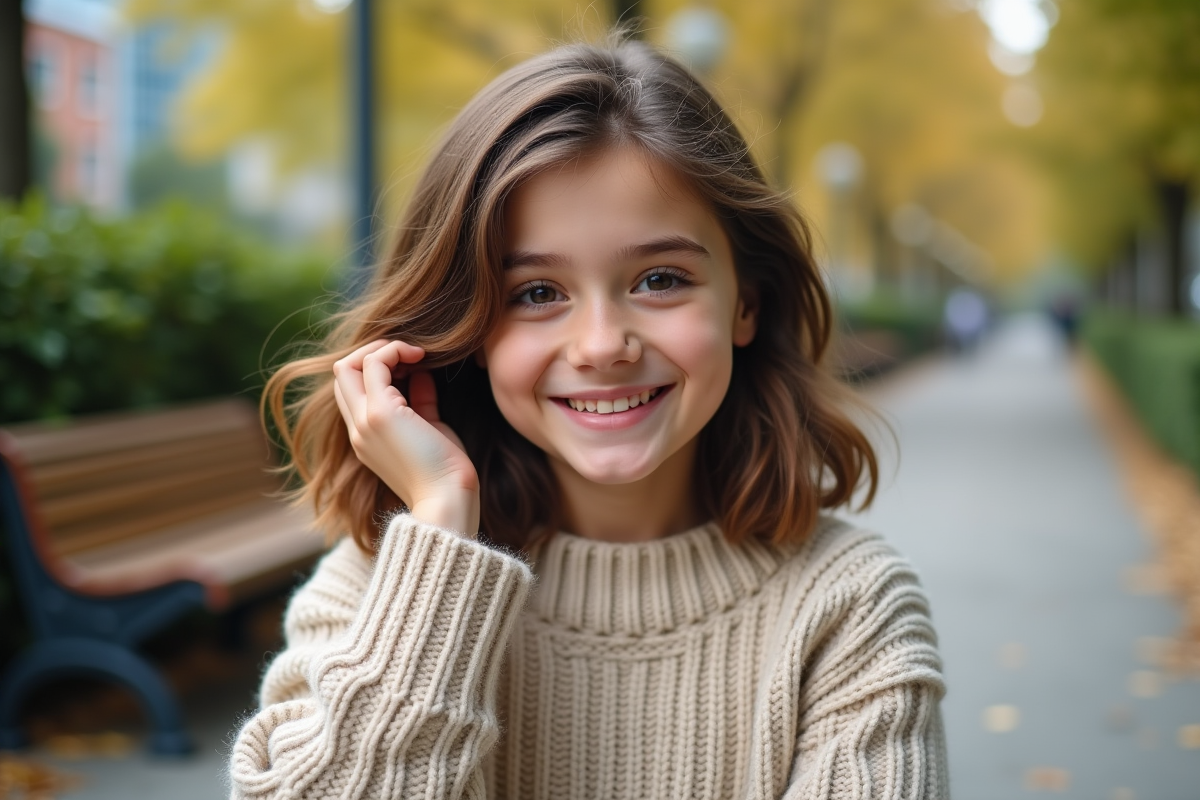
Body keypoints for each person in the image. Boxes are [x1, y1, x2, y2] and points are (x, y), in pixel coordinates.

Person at [228, 36, 947, 800]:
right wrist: (440, 533)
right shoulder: (381, 589)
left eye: (660, 279)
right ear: (468, 330)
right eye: (537, 293)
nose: (603, 346)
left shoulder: (850, 605)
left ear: (745, 303)